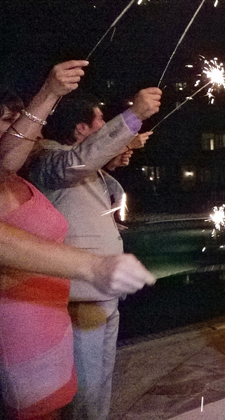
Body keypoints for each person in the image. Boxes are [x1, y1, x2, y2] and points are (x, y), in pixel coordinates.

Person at [0, 61, 153, 419]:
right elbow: (77, 162)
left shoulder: (29, 175)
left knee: (91, 392)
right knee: (79, 401)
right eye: (12, 120)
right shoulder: (49, 161)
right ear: (81, 127)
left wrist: (117, 152)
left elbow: (90, 165)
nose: (27, 129)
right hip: (66, 302)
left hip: (78, 303)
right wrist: (131, 118)